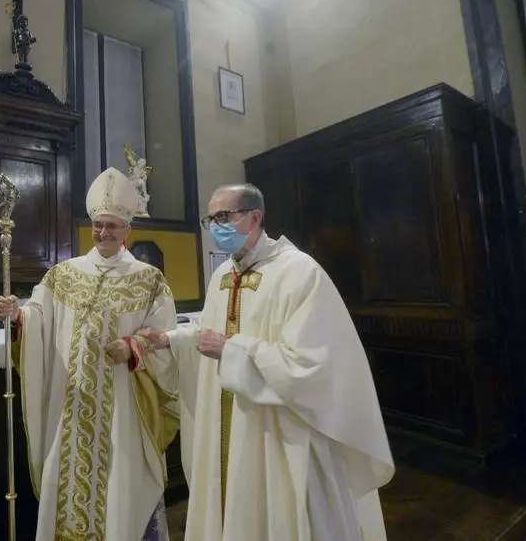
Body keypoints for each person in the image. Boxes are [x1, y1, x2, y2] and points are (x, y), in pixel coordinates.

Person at [139, 183, 395, 540]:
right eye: (210, 219)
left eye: (223, 216)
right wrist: (170, 339)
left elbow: (311, 365)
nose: (215, 226)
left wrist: (232, 352)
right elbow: (207, 331)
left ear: (255, 218)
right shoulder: (221, 277)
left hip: (278, 430)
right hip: (228, 427)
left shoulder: (300, 273)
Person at [0, 167, 180, 541]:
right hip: (72, 406)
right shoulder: (63, 275)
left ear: (128, 229)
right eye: (98, 225)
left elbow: (166, 338)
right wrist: (18, 317)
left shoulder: (148, 280)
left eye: (112, 225)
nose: (103, 233)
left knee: (120, 491)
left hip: (124, 411)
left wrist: (133, 347)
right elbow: (39, 317)